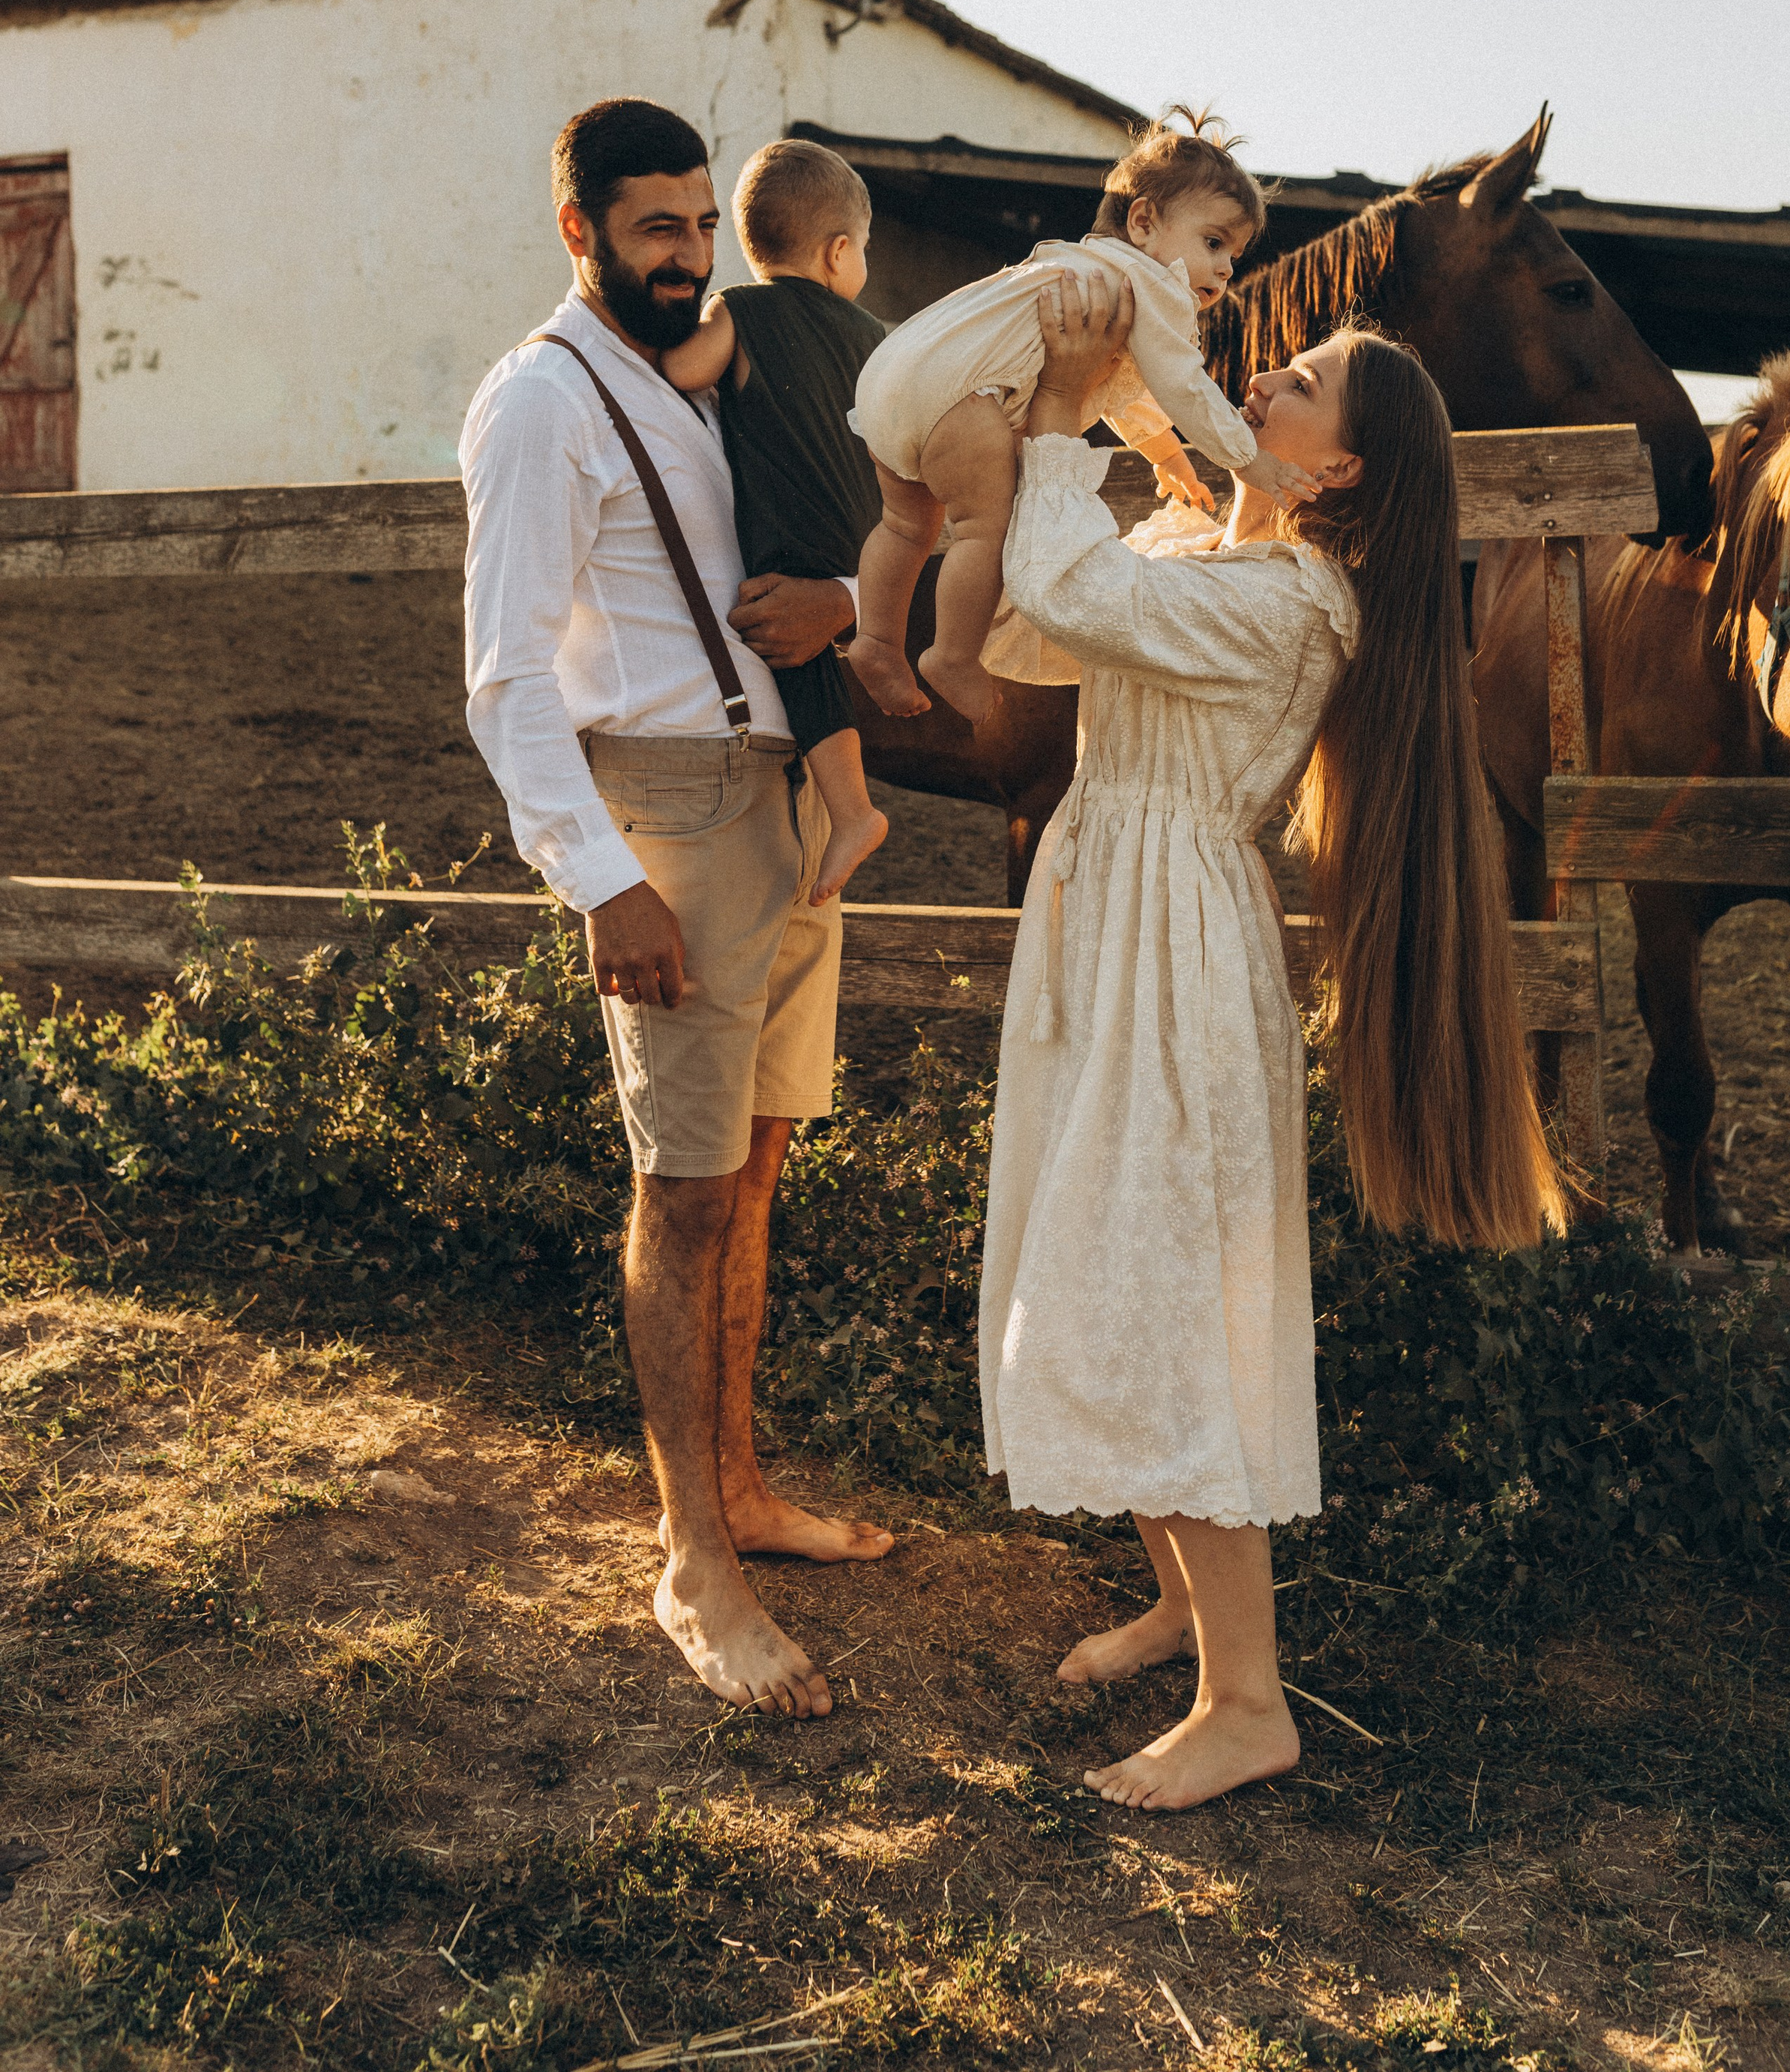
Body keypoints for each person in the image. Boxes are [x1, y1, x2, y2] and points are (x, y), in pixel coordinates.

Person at [978, 280, 1565, 1812]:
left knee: (1158, 1285)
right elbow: (1024, 643)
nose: (1257, 376)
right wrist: (1147, 457)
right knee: (1098, 1250)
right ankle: (1183, 1611)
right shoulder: (1210, 554)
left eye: (1291, 382)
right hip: (1104, 909)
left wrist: (1057, 426)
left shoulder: (1299, 599)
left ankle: (1247, 1703)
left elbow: (1064, 604)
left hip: (1172, 943)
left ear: (1339, 469)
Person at [460, 97, 893, 1723]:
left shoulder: (705, 372)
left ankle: (739, 1492)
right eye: (655, 229)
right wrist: (601, 876)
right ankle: (687, 1562)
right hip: (665, 821)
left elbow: (801, 547)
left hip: (775, 804)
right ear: (579, 232)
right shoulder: (541, 404)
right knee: (686, 1190)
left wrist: (851, 601)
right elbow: (504, 680)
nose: (686, 255)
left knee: (758, 1168)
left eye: (703, 225)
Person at [845, 109, 1291, 726]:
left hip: (890, 380)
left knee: (903, 525)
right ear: (1143, 222)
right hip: (963, 400)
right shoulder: (1150, 285)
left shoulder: (1075, 265)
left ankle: (876, 640)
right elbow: (1183, 384)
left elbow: (1120, 387)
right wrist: (1249, 457)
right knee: (982, 528)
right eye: (1214, 243)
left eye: (1235, 256)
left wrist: (1165, 453)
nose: (1224, 269)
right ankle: (952, 654)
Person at [661, 139, 889, 906]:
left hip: (791, 530)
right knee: (823, 647)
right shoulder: (875, 337)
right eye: (861, 249)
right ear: (836, 252)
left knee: (798, 653)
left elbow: (681, 374)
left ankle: (853, 812)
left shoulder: (742, 310)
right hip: (865, 528)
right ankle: (848, 811)